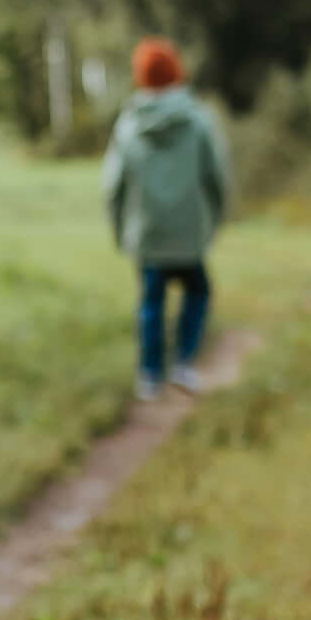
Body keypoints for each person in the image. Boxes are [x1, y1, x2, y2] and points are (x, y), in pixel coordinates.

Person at [104, 37, 229, 399]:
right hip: (189, 232)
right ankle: (183, 361)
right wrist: (217, 219)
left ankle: (150, 375)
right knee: (199, 291)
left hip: (147, 232)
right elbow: (217, 176)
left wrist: (118, 229)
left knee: (150, 301)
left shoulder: (129, 124)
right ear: (176, 71)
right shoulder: (199, 120)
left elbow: (112, 185)